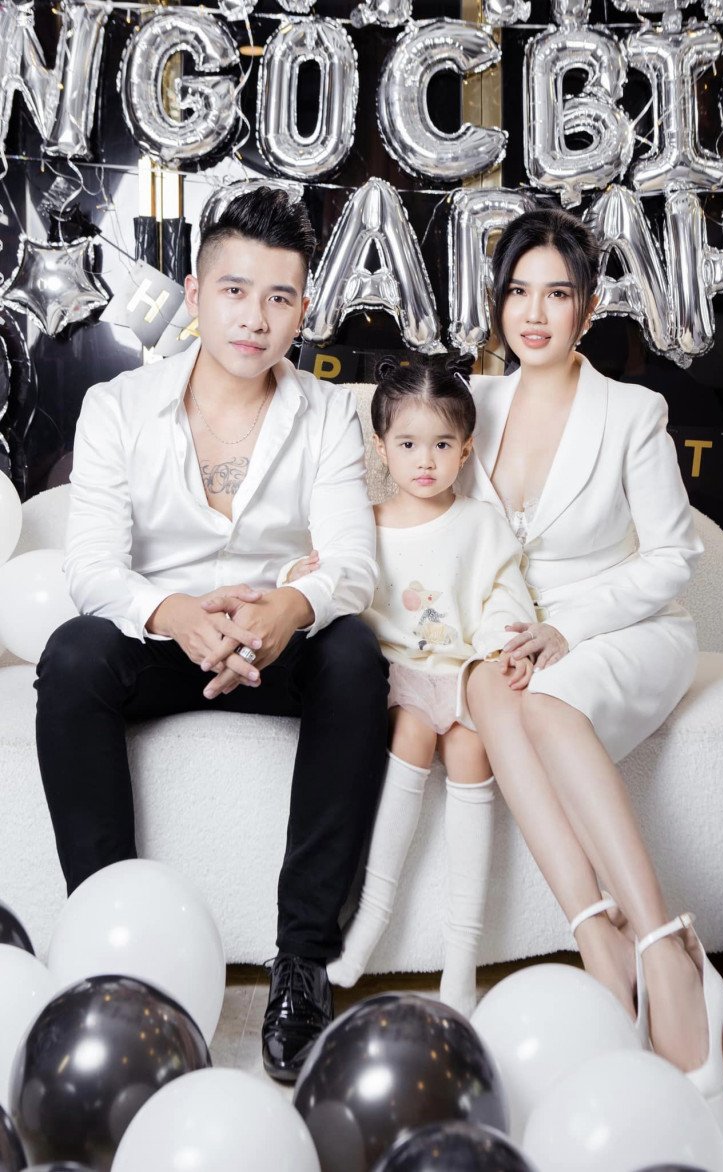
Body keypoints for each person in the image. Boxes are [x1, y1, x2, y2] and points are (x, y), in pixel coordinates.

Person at [34, 188, 390, 1083]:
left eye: (279, 298)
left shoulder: (327, 414)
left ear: (301, 312)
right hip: (165, 638)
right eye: (235, 291)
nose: (255, 318)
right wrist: (175, 614)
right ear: (195, 295)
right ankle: (111, 954)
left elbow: (352, 562)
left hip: (276, 642)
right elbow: (92, 566)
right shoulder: (118, 406)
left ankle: (302, 962)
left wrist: (286, 611)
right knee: (72, 656)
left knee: (354, 656)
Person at [459, 206, 723, 1137]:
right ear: (498, 301)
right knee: (484, 686)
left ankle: (662, 948)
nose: (534, 314)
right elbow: (450, 536)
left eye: (558, 294)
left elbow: (672, 559)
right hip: (521, 637)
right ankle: (598, 937)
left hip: (628, 630)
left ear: (587, 308)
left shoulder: (632, 410)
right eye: (518, 292)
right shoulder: (473, 406)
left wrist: (566, 628)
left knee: (543, 703)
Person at [286, 357, 536, 1016]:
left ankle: (462, 955)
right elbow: (324, 584)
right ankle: (372, 917)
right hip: (398, 678)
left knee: (472, 750)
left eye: (443, 445)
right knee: (415, 734)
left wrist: (502, 650)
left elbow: (505, 596)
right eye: (408, 444)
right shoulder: (362, 525)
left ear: (466, 449)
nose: (426, 461)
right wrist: (297, 575)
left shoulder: (482, 524)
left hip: (463, 674)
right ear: (381, 447)